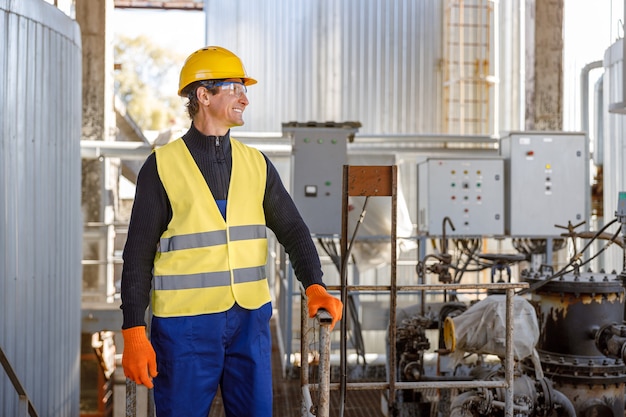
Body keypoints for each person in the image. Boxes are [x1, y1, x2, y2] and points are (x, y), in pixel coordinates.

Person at [119, 46, 343, 417]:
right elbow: (137, 256)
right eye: (234, 88)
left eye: (244, 88)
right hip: (184, 330)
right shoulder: (161, 167)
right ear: (203, 96)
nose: (245, 98)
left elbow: (292, 228)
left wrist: (314, 284)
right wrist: (132, 330)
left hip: (250, 323)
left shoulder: (256, 164)